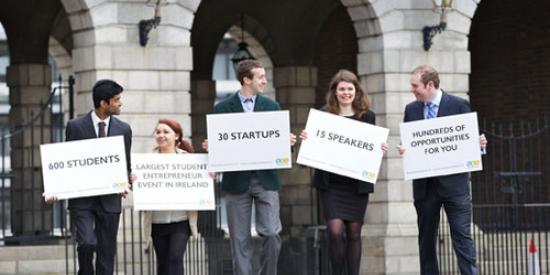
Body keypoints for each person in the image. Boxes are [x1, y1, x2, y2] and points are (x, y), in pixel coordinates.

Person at [202, 60, 296, 275]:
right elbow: (219, 146)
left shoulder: (272, 107)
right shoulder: (222, 109)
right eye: (260, 77)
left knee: (272, 233)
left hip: (266, 180)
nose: (264, 81)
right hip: (236, 182)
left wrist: (287, 143)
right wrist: (212, 148)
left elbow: (278, 147)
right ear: (247, 80)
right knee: (239, 240)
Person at [398, 65, 487, 275]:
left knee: (462, 237)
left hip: (455, 186)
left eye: (415, 85)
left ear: (429, 85)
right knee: (426, 241)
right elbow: (410, 144)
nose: (412, 89)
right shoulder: (411, 110)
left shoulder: (459, 105)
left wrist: (479, 145)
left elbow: (470, 142)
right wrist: (404, 149)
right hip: (425, 187)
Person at [299, 69, 387, 275]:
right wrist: (307, 140)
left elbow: (370, 150)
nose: (346, 93)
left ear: (356, 91)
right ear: (335, 92)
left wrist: (379, 149)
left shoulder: (368, 116)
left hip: (356, 185)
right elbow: (313, 151)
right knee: (335, 231)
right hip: (332, 185)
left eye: (350, 89)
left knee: (354, 233)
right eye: (342, 89)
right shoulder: (323, 115)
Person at [46, 79, 133, 275]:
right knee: (86, 243)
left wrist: (128, 178)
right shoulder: (75, 126)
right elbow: (67, 162)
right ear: (104, 103)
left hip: (110, 200)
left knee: (106, 254)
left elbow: (125, 163)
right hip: (82, 200)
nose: (120, 103)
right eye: (117, 99)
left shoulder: (124, 129)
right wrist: (54, 189)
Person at [141, 118, 199, 275]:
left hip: (181, 220)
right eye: (158, 132)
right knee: (163, 263)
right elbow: (141, 189)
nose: (161, 135)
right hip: (157, 221)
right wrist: (135, 181)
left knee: (175, 258)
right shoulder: (146, 161)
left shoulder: (188, 159)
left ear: (177, 136)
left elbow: (198, 184)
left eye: (166, 132)